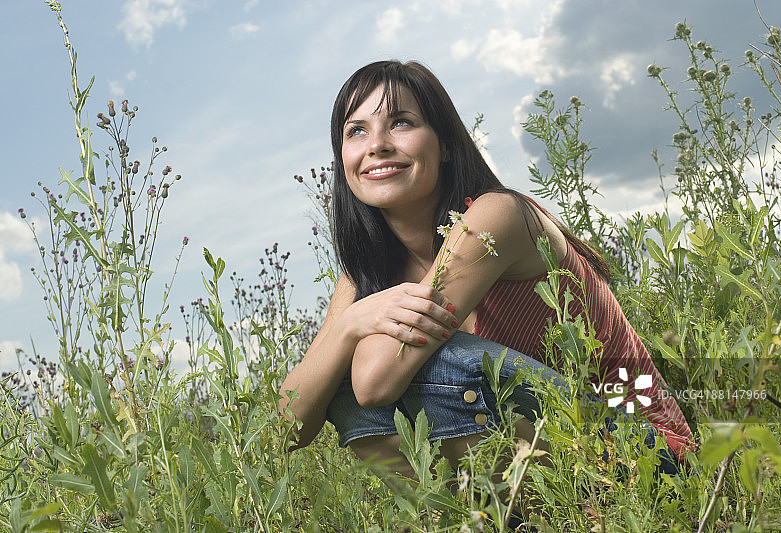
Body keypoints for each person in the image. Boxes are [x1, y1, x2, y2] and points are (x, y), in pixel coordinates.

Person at [279, 60, 693, 475]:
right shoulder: (365, 273)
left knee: (439, 366)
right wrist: (351, 323)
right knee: (344, 393)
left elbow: (375, 382)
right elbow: (289, 428)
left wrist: (357, 331)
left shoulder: (495, 216)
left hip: (644, 454)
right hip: (554, 463)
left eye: (401, 123)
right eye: (357, 131)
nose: (377, 145)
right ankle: (475, 518)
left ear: (445, 144)